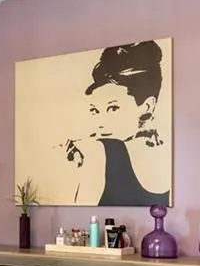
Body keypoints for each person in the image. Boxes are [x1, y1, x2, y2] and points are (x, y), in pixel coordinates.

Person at [63, 41, 170, 206]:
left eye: (113, 108)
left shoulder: (99, 151)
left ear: (147, 106)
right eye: (95, 111)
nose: (100, 122)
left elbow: (79, 211)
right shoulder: (168, 158)